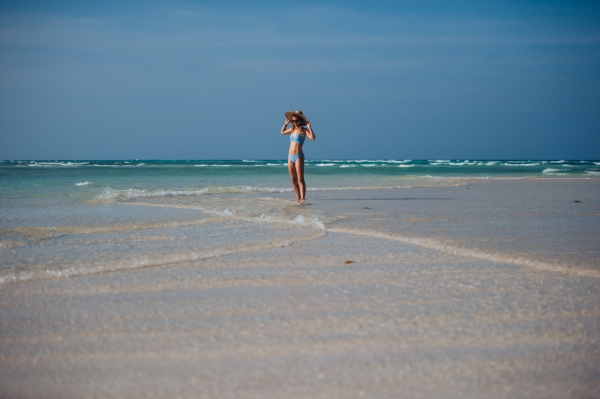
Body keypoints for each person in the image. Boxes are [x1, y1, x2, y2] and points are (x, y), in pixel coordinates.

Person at [281, 110, 316, 201]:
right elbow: (282, 132)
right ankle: (298, 198)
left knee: (300, 179)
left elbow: (312, 138)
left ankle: (303, 199)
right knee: (293, 180)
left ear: (300, 120)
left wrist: (309, 127)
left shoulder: (304, 130)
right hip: (290, 156)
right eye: (293, 121)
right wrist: (285, 124)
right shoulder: (292, 129)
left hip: (298, 156)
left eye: (296, 121)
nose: (294, 122)